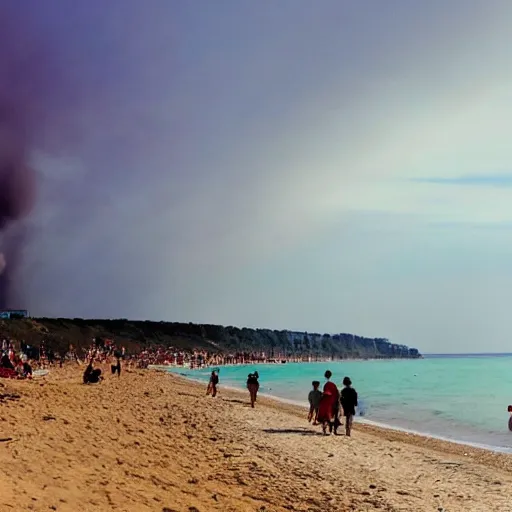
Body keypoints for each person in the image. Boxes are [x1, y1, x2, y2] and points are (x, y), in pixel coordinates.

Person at [317, 370, 340, 435]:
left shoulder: (324, 383)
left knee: (325, 416)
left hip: (324, 401)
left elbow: (323, 392)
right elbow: (336, 393)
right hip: (331, 401)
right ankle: (331, 430)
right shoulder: (333, 383)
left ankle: (324, 429)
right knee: (331, 416)